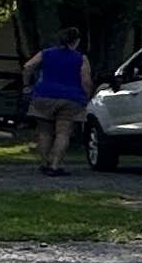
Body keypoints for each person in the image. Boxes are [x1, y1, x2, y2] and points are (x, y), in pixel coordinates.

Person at [25, 27, 94, 175]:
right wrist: (87, 95)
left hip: (44, 95)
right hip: (71, 98)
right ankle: (55, 165)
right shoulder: (81, 58)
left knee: (44, 132)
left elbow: (28, 66)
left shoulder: (46, 53)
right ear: (76, 41)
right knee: (63, 133)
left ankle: (44, 162)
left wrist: (27, 84)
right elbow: (86, 80)